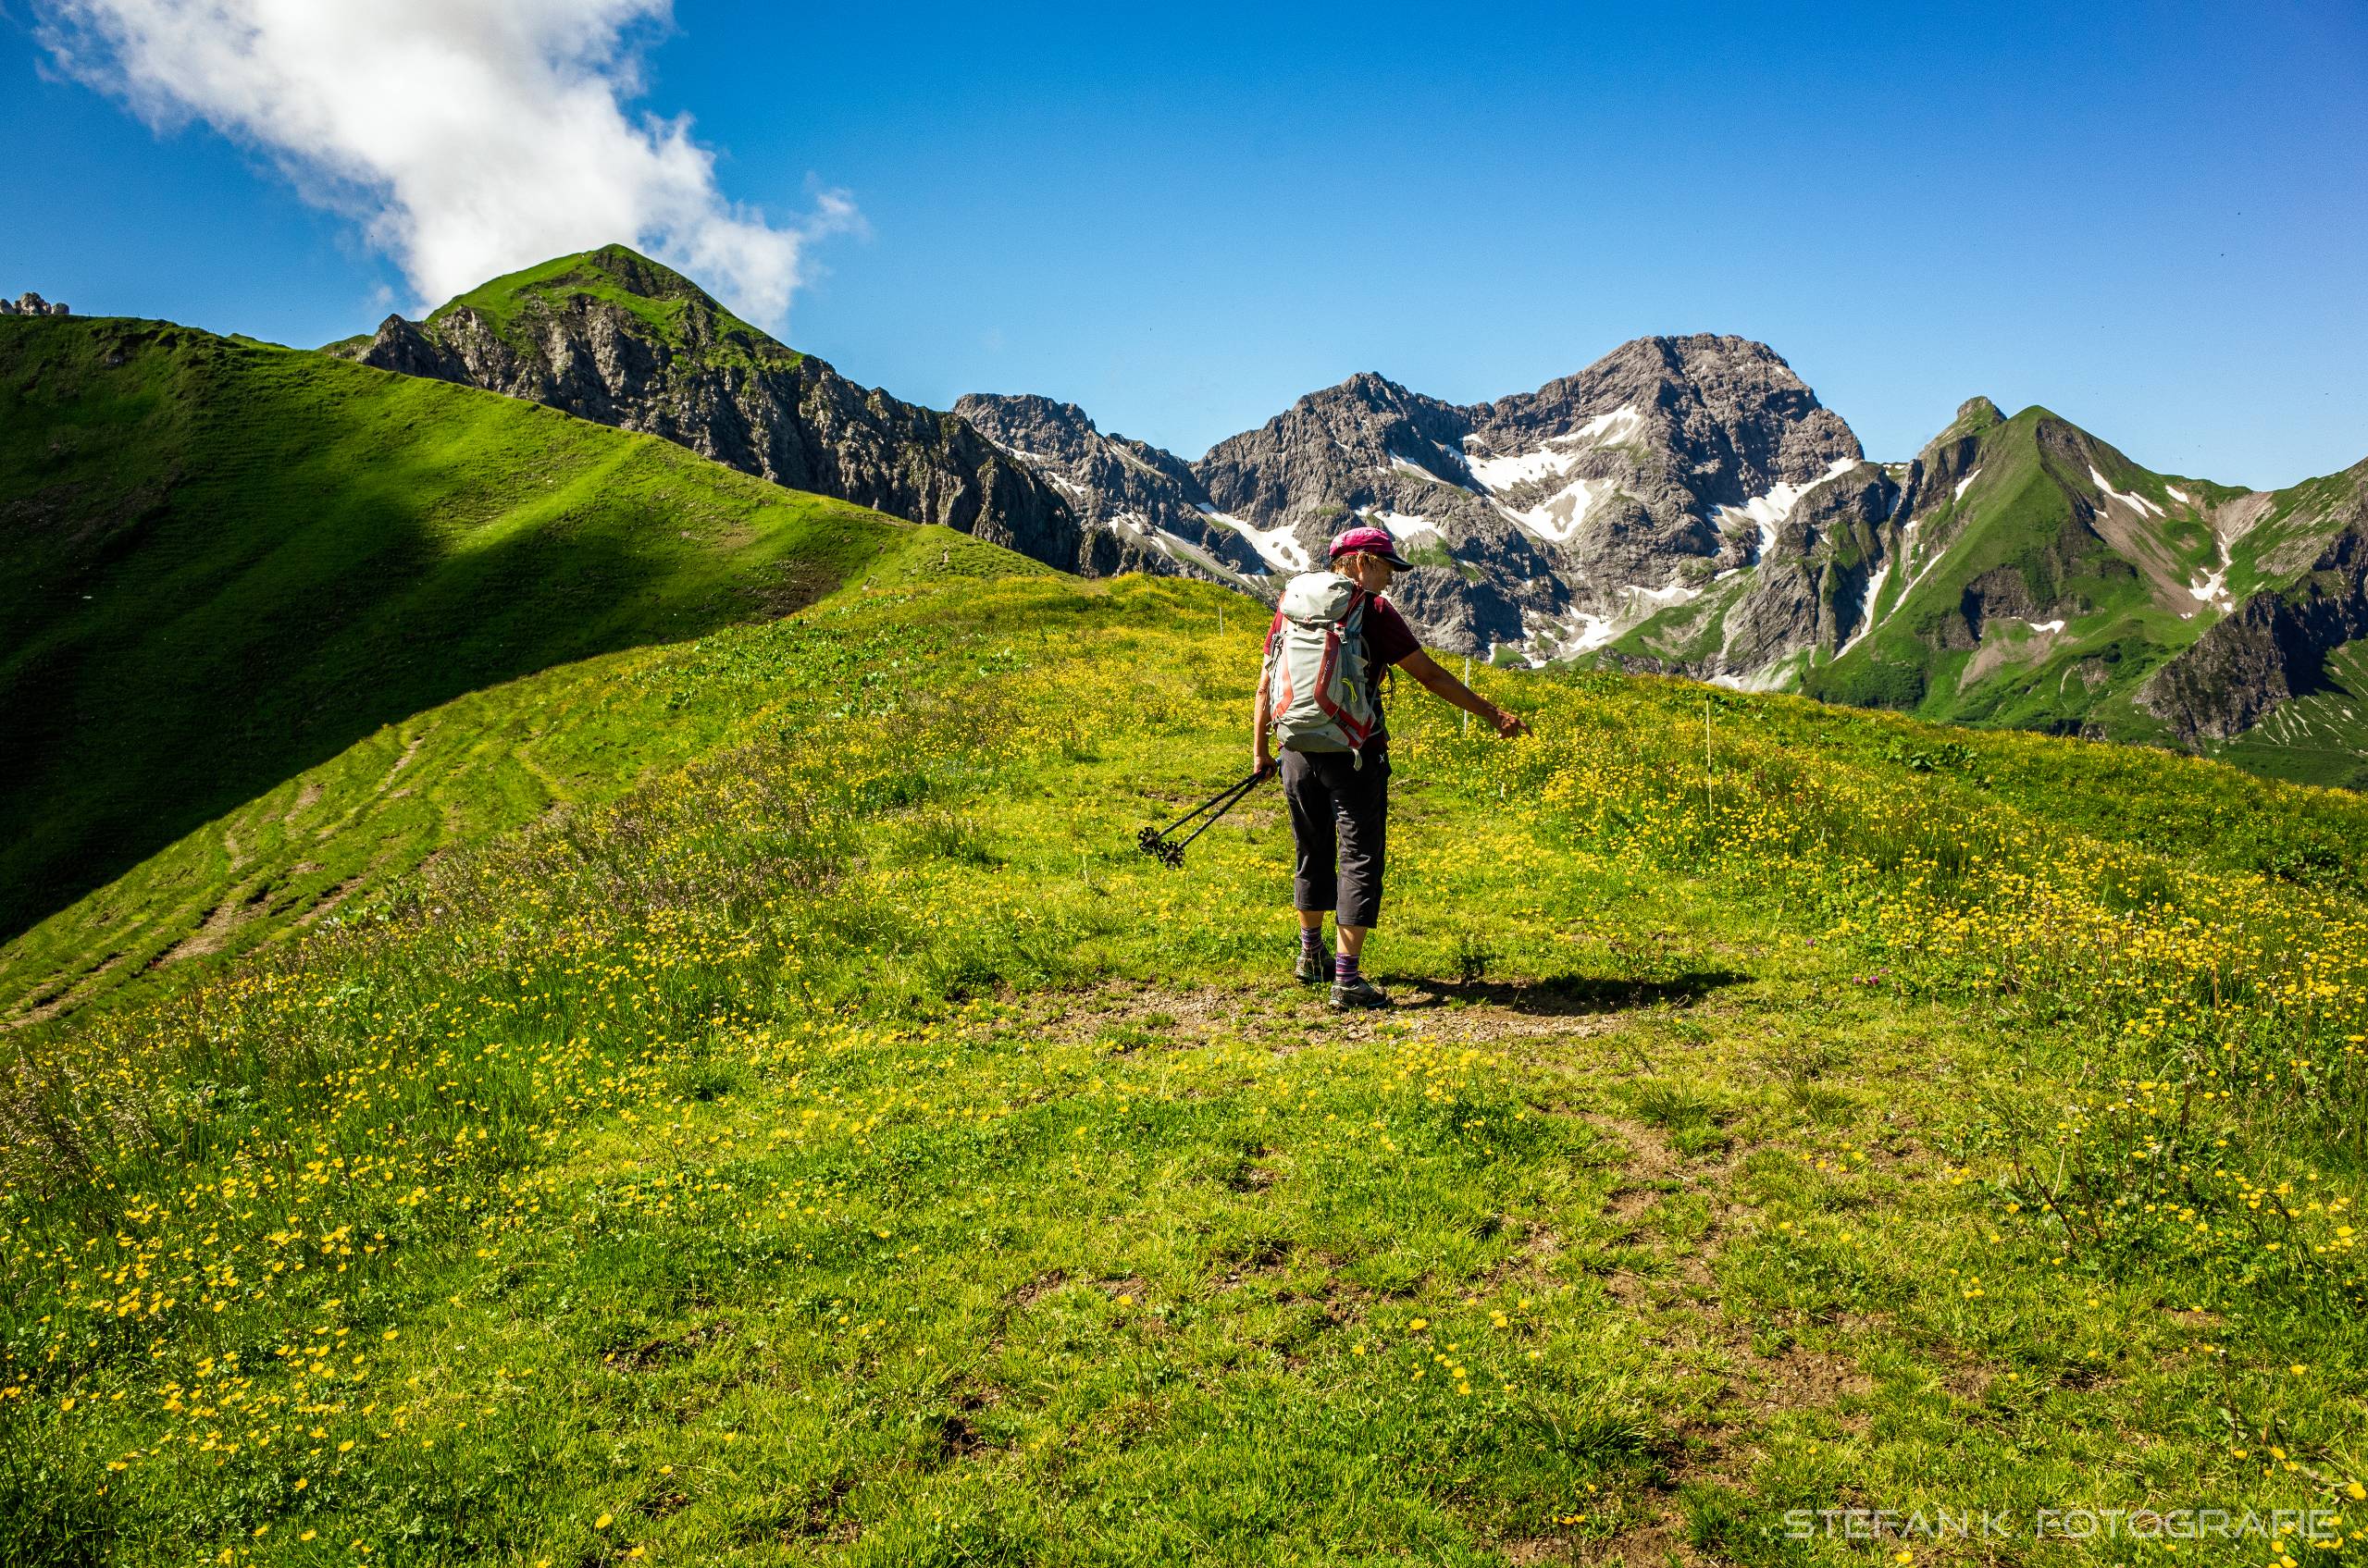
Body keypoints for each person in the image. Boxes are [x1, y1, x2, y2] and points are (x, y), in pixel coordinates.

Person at [1252, 525, 1530, 1008]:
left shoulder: (1291, 606)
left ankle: (1310, 954)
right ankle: (1347, 979)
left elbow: (1265, 682)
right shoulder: (1372, 610)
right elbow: (1429, 674)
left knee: (1312, 847)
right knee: (1358, 855)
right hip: (1356, 752)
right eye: (1386, 566)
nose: (1391, 578)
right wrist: (1493, 713)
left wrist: (1261, 752)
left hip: (1295, 749)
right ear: (1358, 561)